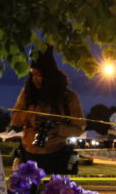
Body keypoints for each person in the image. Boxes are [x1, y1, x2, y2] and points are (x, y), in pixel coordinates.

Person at [11, 46, 85, 175]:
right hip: (28, 154)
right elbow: (15, 119)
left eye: (39, 75)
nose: (35, 79)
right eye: (32, 74)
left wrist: (56, 129)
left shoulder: (68, 97)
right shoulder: (28, 93)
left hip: (56, 157)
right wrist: (29, 116)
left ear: (50, 76)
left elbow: (78, 128)